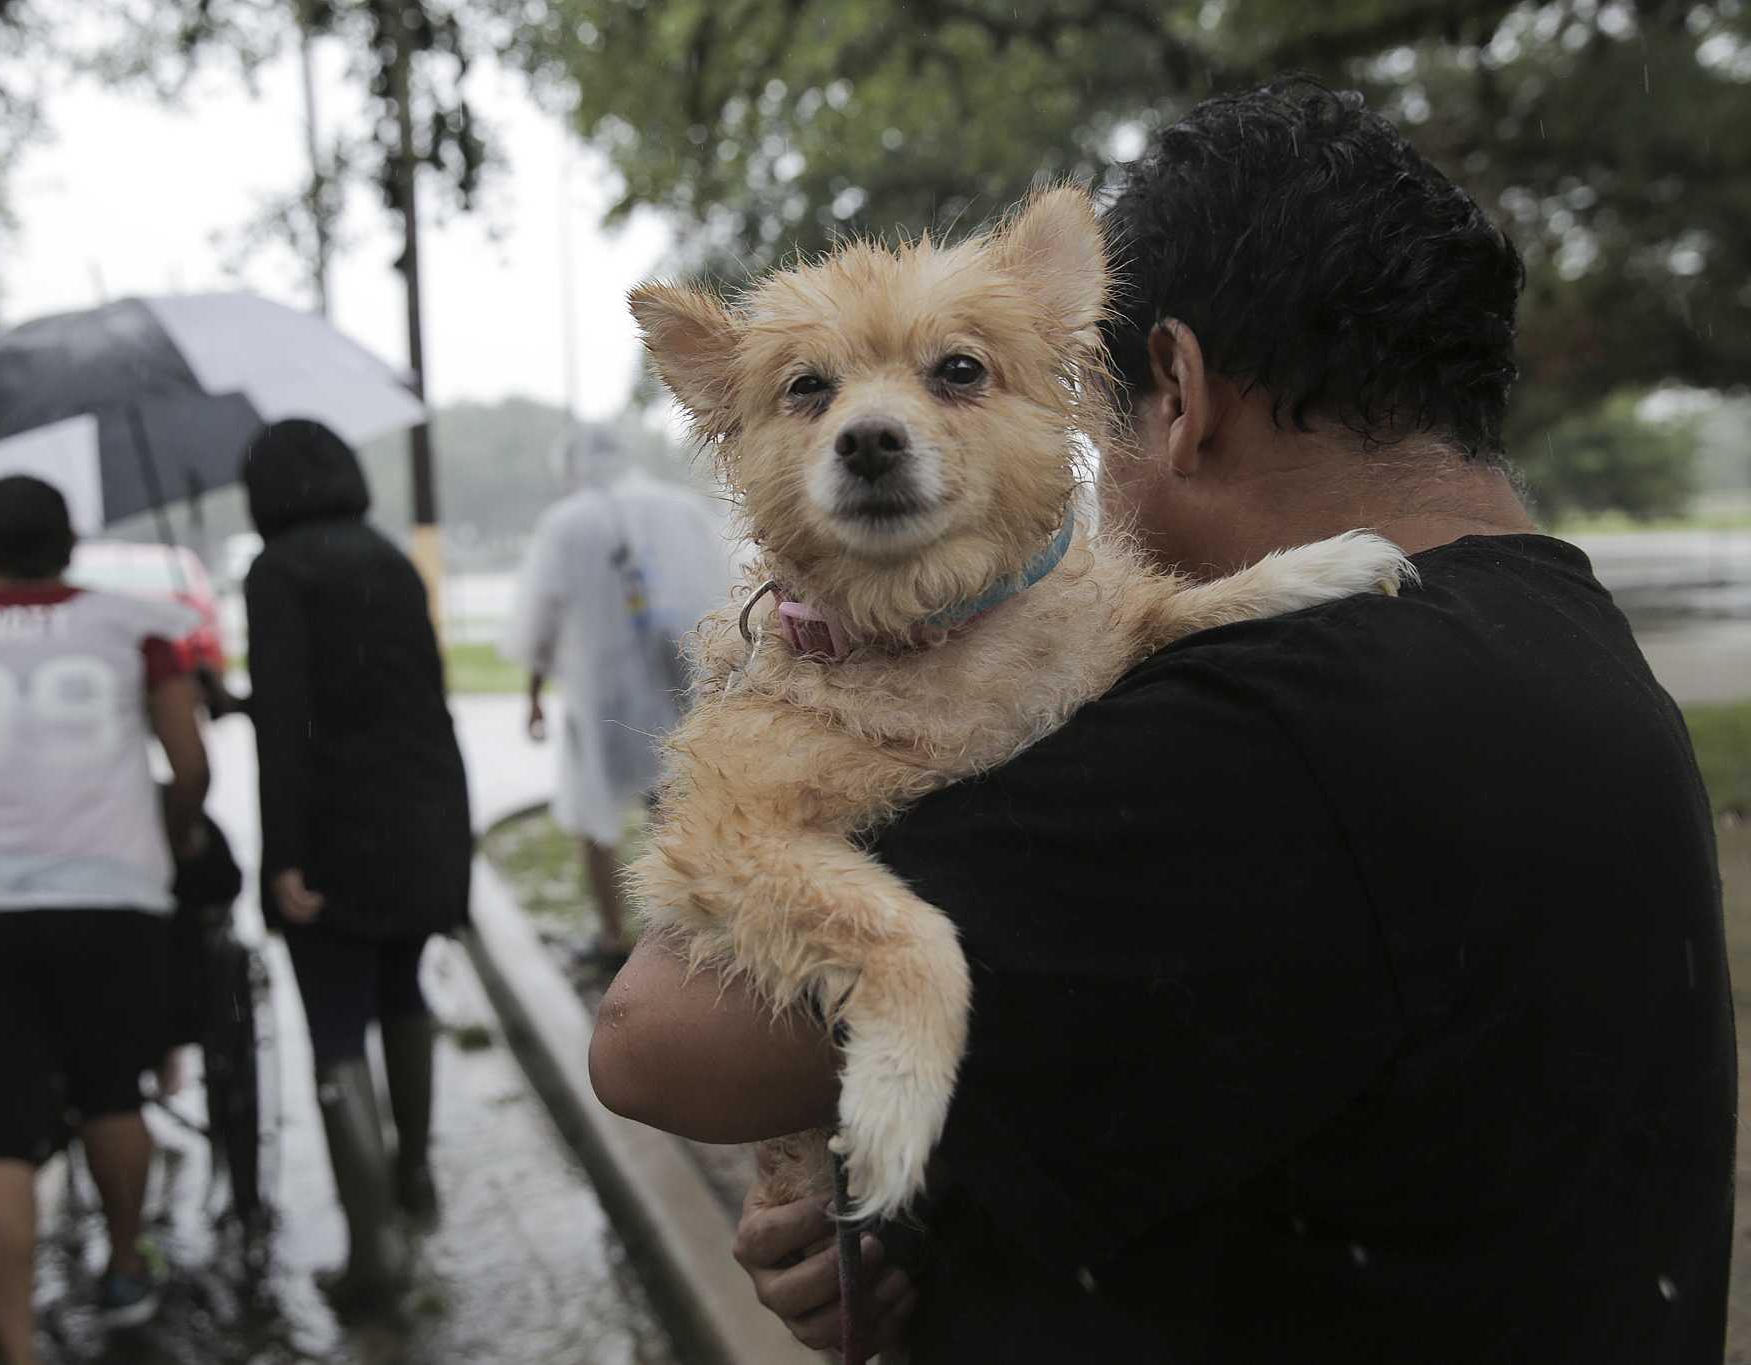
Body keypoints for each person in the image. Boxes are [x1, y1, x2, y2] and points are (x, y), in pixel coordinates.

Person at [588, 81, 1734, 1363]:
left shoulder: (1271, 727)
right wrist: (904, 1218)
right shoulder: (1566, 646)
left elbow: (657, 1043)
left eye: (973, 377)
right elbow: (1228, 1056)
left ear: (1175, 392)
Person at [0, 475, 209, 1364]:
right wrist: (163, 840)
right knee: (110, 1089)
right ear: (71, 543)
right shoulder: (139, 626)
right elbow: (189, 763)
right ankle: (126, 1265)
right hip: (109, 895)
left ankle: (16, 1346)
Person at [238, 418, 472, 1303]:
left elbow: (290, 724)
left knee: (335, 1023)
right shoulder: (385, 559)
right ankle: (413, 1183)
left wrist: (284, 857)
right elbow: (401, 694)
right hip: (419, 819)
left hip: (334, 834)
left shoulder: (278, 570)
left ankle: (374, 1252)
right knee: (403, 989)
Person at [504, 423, 732, 961]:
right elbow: (726, 584)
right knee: (673, 797)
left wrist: (535, 692)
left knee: (595, 807)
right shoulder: (679, 508)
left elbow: (541, 617)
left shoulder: (565, 524)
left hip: (598, 689)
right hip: (679, 675)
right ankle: (681, 929)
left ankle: (613, 933)